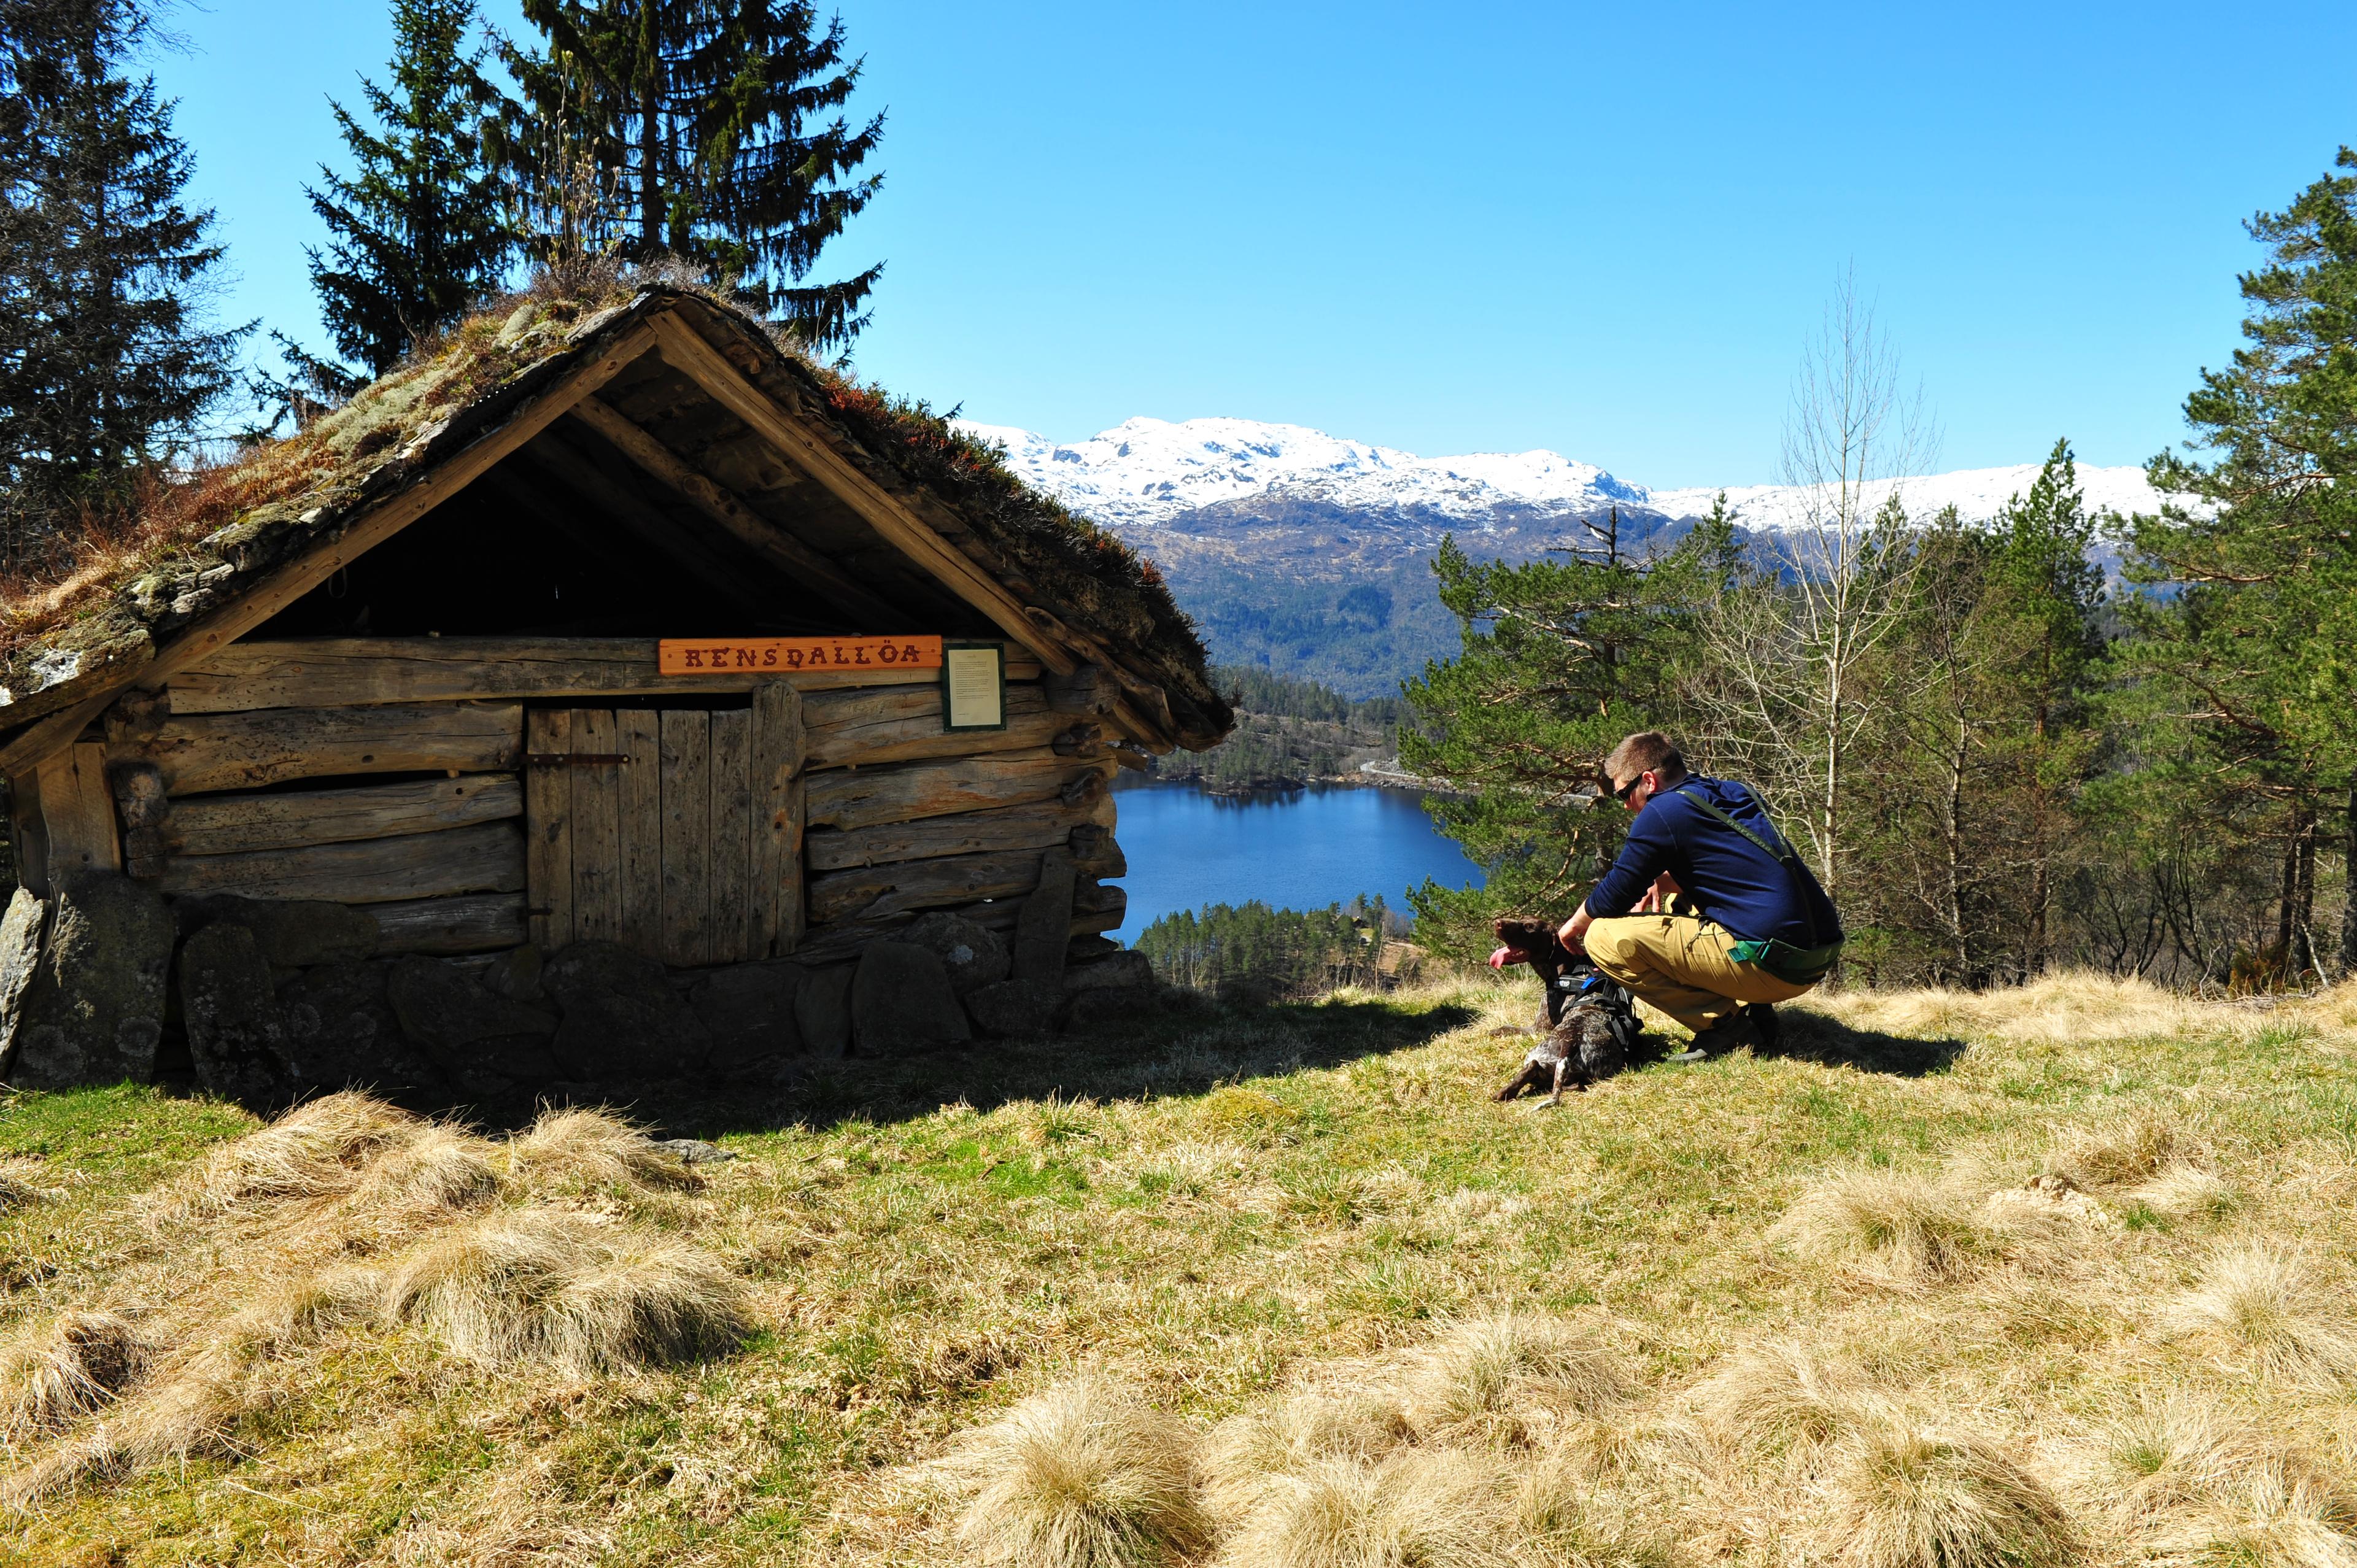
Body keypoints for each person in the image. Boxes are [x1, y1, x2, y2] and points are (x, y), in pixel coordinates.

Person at [1554, 731, 1842, 1058]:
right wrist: (1663, 880)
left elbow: (1614, 895)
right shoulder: (1732, 792)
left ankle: (1727, 1028)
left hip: (1773, 967)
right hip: (1814, 956)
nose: (1624, 806)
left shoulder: (1663, 811)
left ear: (1648, 780)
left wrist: (1574, 925)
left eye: (1623, 794)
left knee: (1603, 936)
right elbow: (1732, 869)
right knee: (1680, 900)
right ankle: (1759, 1011)